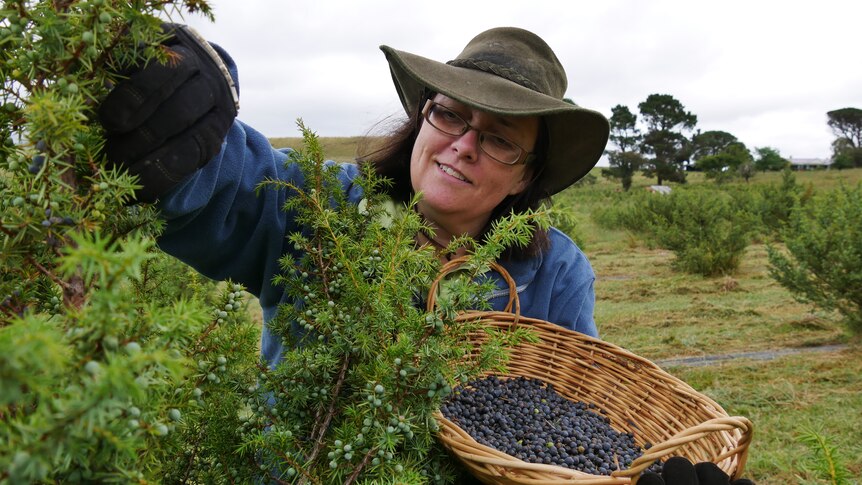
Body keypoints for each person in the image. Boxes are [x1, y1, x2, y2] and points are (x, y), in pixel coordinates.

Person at [98, 25, 754, 485]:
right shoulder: (322, 208)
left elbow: (571, 420)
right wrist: (181, 105)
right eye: (450, 115)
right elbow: (225, 181)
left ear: (525, 176)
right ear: (423, 119)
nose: (463, 144)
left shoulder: (556, 272)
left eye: (499, 138)